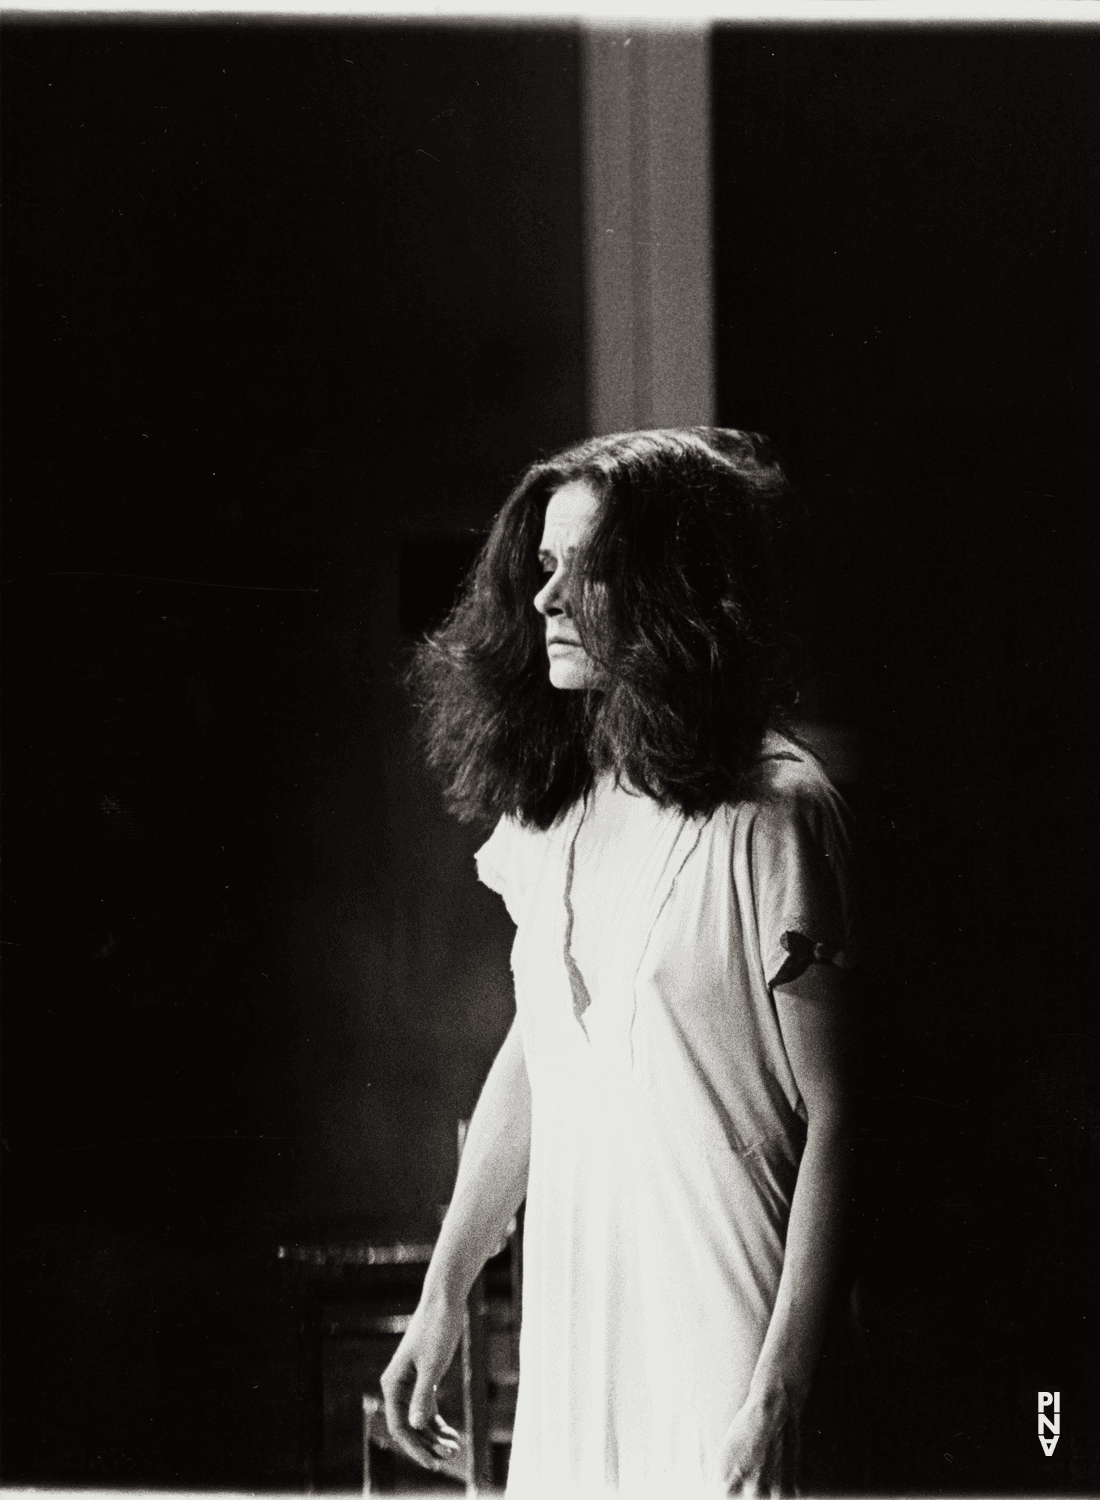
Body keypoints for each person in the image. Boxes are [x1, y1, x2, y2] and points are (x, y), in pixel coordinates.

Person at [381, 427, 857, 1497]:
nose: (547, 599)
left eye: (586, 571)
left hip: (725, 1318)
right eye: (544, 567)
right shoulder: (553, 807)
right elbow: (540, 1047)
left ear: (669, 591)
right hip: (582, 1310)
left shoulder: (774, 816)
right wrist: (447, 1286)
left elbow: (846, 1119)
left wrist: (778, 1391)